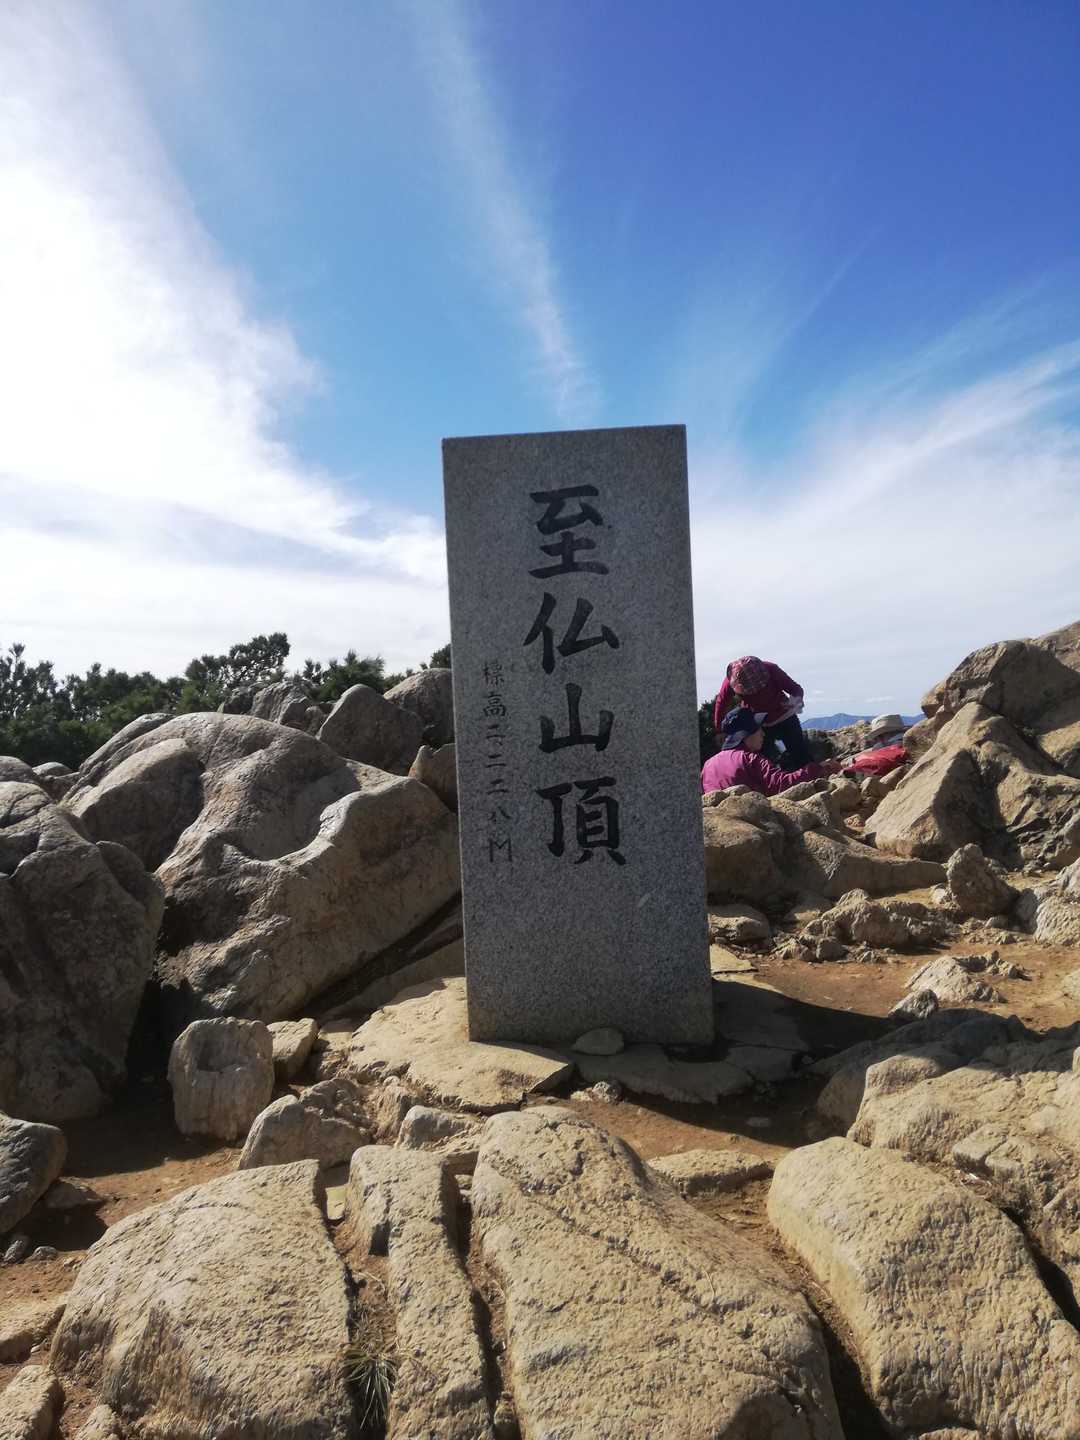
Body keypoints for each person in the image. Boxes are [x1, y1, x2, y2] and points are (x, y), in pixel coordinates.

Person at [702, 706, 840, 796]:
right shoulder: (750, 759)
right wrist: (818, 768)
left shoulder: (708, 765)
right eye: (759, 729)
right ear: (746, 734)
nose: (763, 734)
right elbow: (781, 784)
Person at [713, 655, 811, 767]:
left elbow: (795, 689)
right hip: (758, 724)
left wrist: (795, 701)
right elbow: (721, 702)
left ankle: (809, 773)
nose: (755, 693)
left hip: (784, 715)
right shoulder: (730, 680)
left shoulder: (771, 668)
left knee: (800, 754)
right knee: (762, 762)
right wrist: (719, 730)